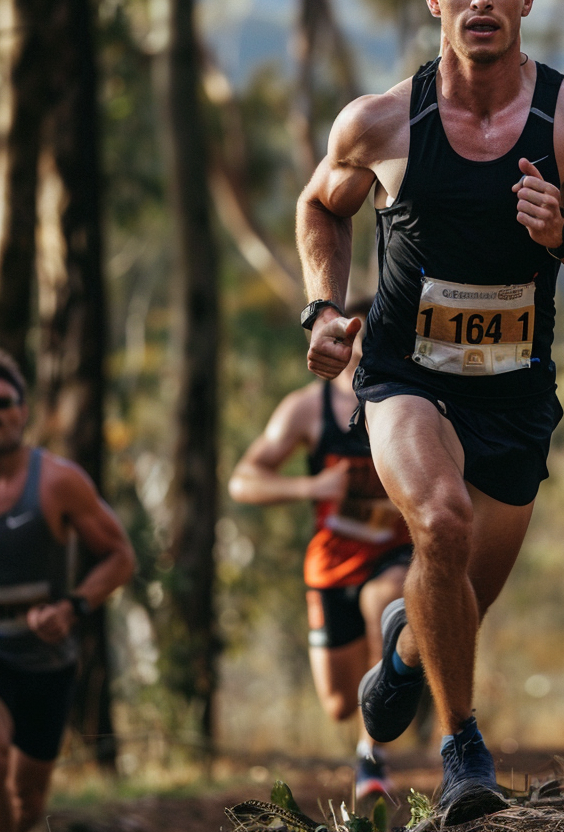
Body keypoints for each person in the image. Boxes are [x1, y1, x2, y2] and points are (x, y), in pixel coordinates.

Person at [295, 0, 564, 823]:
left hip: (515, 395)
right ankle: (463, 759)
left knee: (454, 600)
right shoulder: (379, 122)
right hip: (406, 379)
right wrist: (322, 311)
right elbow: (319, 207)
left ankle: (406, 650)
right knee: (441, 527)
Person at [0, 349, 135, 832]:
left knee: (27, 800)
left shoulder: (58, 482)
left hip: (47, 660)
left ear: (23, 411)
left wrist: (73, 607)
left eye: (0, 401)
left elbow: (122, 556)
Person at [228, 300, 411, 802]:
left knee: (388, 601)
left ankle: (372, 761)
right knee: (337, 701)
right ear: (341, 339)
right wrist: (312, 488)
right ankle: (372, 721)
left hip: (393, 557)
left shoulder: (414, 401)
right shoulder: (308, 408)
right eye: (359, 337)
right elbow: (243, 480)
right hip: (331, 566)